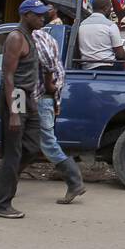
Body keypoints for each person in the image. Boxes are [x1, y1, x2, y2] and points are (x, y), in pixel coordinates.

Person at [0, 0, 47, 219]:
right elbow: (8, 77)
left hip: (27, 99)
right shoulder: (16, 38)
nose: (42, 18)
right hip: (14, 98)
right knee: (13, 153)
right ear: (26, 15)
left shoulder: (30, 37)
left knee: (32, 146)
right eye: (38, 15)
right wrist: (14, 113)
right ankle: (1, 204)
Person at [31, 23, 87, 204]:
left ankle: (74, 181)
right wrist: (56, 100)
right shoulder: (50, 39)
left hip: (39, 98)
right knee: (29, 144)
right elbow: (59, 73)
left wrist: (49, 88)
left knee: (46, 142)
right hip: (46, 98)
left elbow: (49, 66)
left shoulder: (34, 38)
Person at [77, 0, 125, 69]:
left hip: (86, 68)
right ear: (105, 8)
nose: (110, 10)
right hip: (108, 68)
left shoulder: (82, 25)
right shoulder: (110, 25)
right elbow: (120, 55)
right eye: (110, 8)